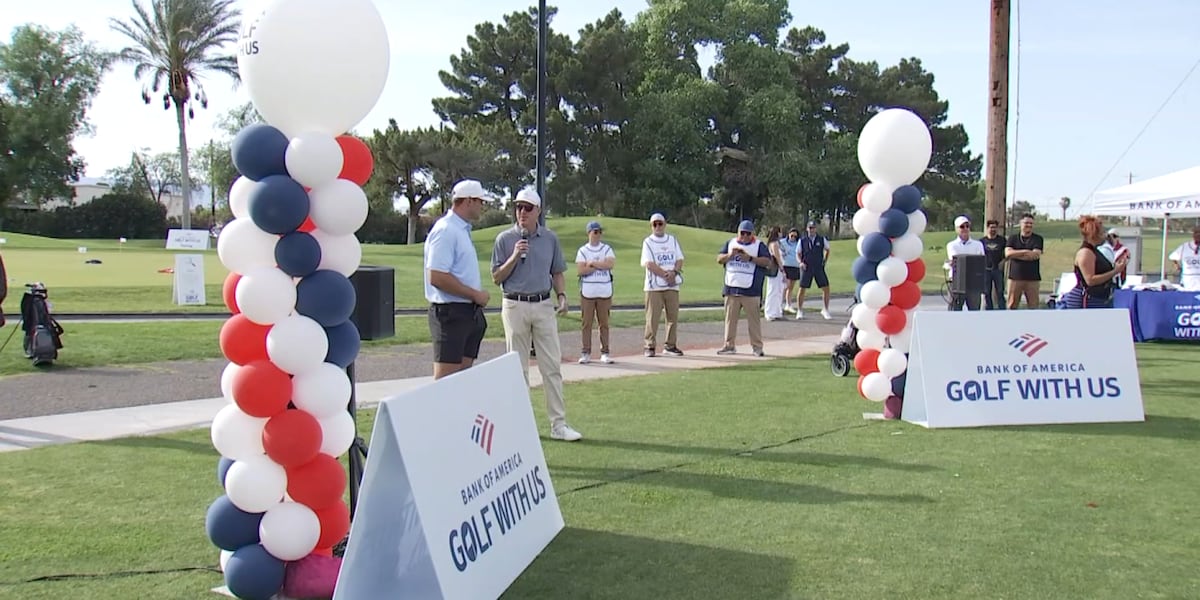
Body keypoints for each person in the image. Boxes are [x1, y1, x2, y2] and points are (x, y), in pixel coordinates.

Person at [491, 188, 582, 442]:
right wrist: (513, 256)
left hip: (543, 304)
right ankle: (520, 426)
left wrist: (562, 296)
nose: (522, 212)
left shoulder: (550, 239)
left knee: (551, 366)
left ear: (538, 212)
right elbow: (496, 276)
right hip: (514, 305)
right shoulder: (505, 239)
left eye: (527, 208)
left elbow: (557, 272)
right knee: (516, 369)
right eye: (518, 207)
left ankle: (558, 424)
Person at [423, 179, 490, 380]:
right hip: (450, 313)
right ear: (468, 201)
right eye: (480, 201)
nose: (482, 206)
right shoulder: (446, 230)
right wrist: (475, 294)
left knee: (462, 382)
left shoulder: (460, 230)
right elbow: (437, 276)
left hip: (467, 313)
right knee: (446, 383)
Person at [716, 220, 772, 356]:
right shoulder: (730, 244)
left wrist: (750, 259)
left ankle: (757, 347)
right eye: (742, 233)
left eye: (748, 234)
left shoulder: (759, 246)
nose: (745, 236)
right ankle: (729, 346)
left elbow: (768, 262)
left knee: (754, 321)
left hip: (751, 290)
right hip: (732, 288)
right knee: (730, 320)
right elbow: (719, 258)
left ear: (753, 234)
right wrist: (730, 255)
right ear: (738, 233)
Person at [640, 212, 685, 357]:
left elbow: (679, 259)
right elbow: (649, 263)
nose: (658, 226)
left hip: (672, 285)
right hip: (654, 286)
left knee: (672, 317)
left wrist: (674, 272)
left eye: (660, 223)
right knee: (652, 318)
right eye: (655, 224)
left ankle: (670, 345)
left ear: (665, 224)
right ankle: (649, 346)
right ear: (651, 226)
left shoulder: (672, 240)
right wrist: (665, 275)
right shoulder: (648, 242)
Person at [1059, 215, 1127, 309]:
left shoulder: (1095, 251)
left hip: (1099, 297)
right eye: (1103, 233)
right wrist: (1115, 271)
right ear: (1095, 234)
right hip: (1087, 298)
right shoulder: (1086, 253)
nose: (1105, 236)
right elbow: (1090, 280)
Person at [576, 220, 615, 365]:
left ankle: (605, 352)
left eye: (599, 232)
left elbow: (610, 264)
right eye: (595, 232)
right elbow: (581, 270)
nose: (598, 235)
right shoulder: (583, 251)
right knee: (586, 323)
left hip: (604, 291)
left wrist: (592, 264)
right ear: (589, 233)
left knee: (604, 323)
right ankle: (585, 352)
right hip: (588, 291)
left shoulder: (606, 249)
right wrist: (599, 266)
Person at [1005, 213, 1044, 309]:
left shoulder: (1038, 239)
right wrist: (1026, 252)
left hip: (1032, 279)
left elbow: (1035, 255)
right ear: (1020, 223)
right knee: (1011, 305)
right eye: (1026, 223)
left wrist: (1016, 254)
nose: (1029, 225)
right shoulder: (1013, 238)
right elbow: (1008, 254)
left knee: (1033, 306)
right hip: (1015, 278)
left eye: (1031, 223)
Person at [946, 215, 985, 311]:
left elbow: (980, 260)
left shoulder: (978, 244)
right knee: (955, 309)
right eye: (962, 227)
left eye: (967, 226)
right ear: (956, 229)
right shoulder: (952, 245)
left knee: (974, 309)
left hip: (973, 281)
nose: (965, 229)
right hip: (957, 281)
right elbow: (956, 259)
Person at [795, 220, 832, 320]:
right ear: (807, 229)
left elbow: (827, 249)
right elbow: (798, 253)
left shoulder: (821, 239)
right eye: (810, 228)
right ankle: (799, 310)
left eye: (813, 228)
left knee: (826, 288)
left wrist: (825, 260)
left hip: (818, 266)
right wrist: (800, 263)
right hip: (806, 267)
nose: (812, 230)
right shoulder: (802, 240)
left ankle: (825, 309)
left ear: (816, 229)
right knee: (802, 288)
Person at [981, 219, 1007, 310]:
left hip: (998, 269)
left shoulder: (1002, 240)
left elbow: (1006, 254)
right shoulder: (982, 241)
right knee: (986, 292)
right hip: (986, 270)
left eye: (995, 227)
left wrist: (1003, 262)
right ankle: (989, 310)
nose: (993, 229)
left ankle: (1002, 309)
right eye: (991, 227)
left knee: (1000, 291)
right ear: (987, 228)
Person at [763, 226, 785, 321]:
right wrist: (782, 268)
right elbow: (777, 257)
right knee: (772, 290)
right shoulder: (774, 244)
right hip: (775, 269)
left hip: (778, 269)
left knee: (778, 290)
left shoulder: (778, 243)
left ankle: (776, 311)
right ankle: (769, 312)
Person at [779, 227, 801, 313]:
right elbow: (779, 250)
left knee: (791, 287)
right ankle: (780, 304)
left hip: (795, 266)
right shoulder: (783, 242)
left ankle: (788, 305)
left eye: (795, 236)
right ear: (789, 234)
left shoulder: (798, 243)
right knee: (785, 286)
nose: (793, 238)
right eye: (792, 235)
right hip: (786, 266)